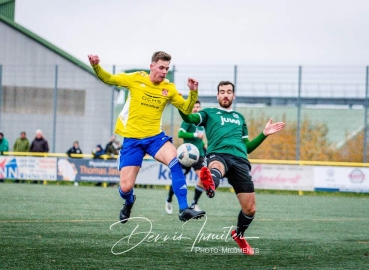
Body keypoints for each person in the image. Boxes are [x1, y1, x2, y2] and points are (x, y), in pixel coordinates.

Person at [88, 51, 205, 223]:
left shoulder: (169, 89)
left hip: (155, 138)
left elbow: (186, 110)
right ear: (152, 66)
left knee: (175, 162)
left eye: (167, 68)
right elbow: (109, 79)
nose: (164, 72)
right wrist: (96, 66)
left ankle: (184, 208)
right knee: (125, 187)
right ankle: (129, 202)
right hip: (133, 140)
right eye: (161, 67)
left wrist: (193, 92)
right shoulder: (136, 79)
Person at [178, 81, 285, 255]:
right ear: (217, 95)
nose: (225, 95)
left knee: (250, 209)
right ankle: (211, 182)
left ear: (233, 96)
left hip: (241, 160)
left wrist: (264, 134)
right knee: (216, 165)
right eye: (222, 92)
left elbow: (247, 147)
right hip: (218, 154)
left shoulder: (239, 118)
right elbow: (189, 118)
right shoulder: (209, 113)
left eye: (229, 92)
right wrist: (187, 98)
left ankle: (238, 234)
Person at [165, 100, 206, 214]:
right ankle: (169, 199)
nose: (196, 109)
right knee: (179, 179)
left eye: (198, 107)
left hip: (199, 154)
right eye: (194, 107)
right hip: (186, 156)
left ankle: (194, 203)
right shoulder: (188, 120)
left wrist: (203, 144)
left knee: (203, 178)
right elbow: (180, 134)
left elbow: (200, 139)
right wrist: (195, 134)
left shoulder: (200, 122)